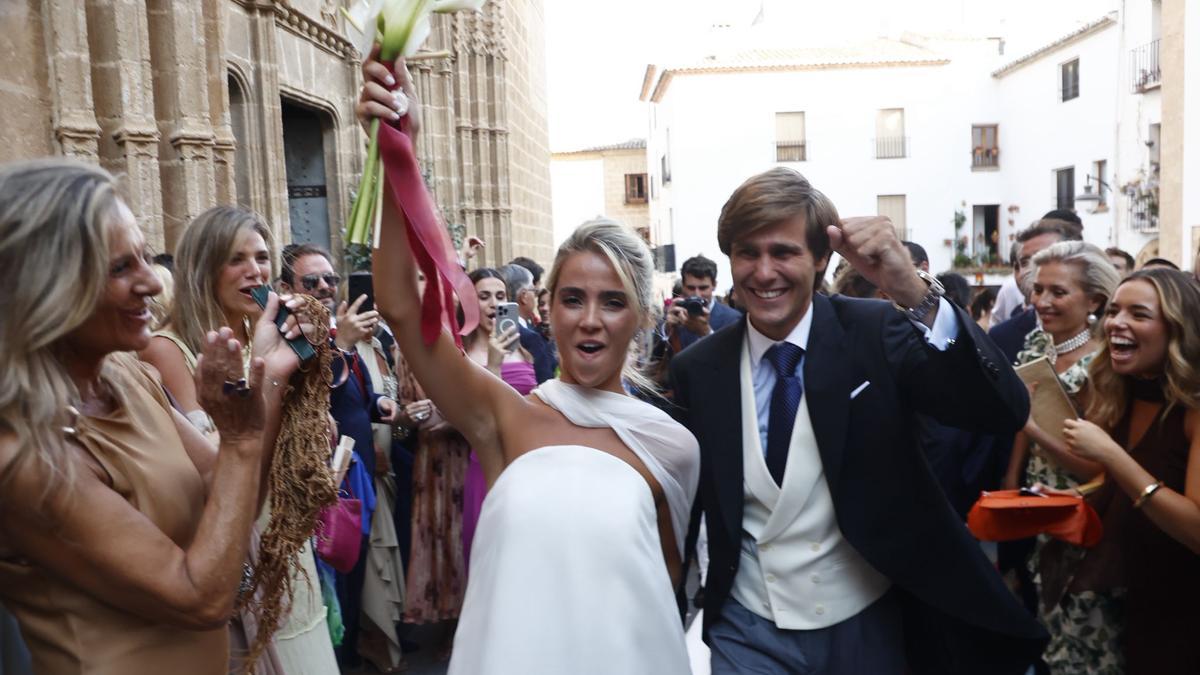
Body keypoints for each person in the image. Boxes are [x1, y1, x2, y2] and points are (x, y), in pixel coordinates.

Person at [363, 51, 699, 675]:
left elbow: (664, 596)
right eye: (573, 299)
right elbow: (404, 310)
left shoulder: (673, 448)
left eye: (612, 301)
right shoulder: (503, 417)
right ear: (547, 309)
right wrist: (393, 160)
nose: (590, 318)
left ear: (641, 318)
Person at [670, 167, 1046, 674]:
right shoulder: (699, 368)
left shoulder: (874, 331)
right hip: (747, 625)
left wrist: (913, 291)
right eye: (747, 253)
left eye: (783, 252)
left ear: (822, 258)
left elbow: (1000, 410)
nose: (763, 272)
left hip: (869, 619)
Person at [0, 159, 304, 673]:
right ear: (43, 287)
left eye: (144, 256)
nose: (151, 282)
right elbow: (199, 598)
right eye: (120, 268)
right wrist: (242, 436)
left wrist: (267, 380)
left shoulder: (126, 377)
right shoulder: (24, 456)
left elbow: (230, 498)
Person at [138, 206, 339, 673]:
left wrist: (308, 422)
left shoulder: (261, 336)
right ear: (203, 268)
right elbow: (218, 455)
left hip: (281, 533)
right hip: (237, 535)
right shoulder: (170, 349)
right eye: (236, 259)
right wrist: (273, 383)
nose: (256, 271)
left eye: (263, 257)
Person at [1057, 268, 1200, 674]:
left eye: (1139, 314)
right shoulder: (1126, 390)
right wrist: (1073, 498)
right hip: (1131, 597)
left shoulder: (1194, 410)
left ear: (1178, 328)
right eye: (1115, 310)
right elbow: (1125, 487)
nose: (1118, 322)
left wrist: (1113, 456)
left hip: (1184, 607)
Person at [1000, 241, 1120, 674]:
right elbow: (1022, 428)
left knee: (1085, 641)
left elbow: (1101, 467)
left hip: (1084, 520)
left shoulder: (1104, 364)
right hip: (1038, 515)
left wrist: (1031, 425)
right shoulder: (1037, 343)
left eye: (1058, 292)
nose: (1042, 301)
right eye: (1038, 289)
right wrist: (1011, 490)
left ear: (1094, 301)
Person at [277, 243, 399, 667]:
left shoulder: (334, 332)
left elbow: (352, 398)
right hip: (321, 491)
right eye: (312, 282)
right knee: (332, 597)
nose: (326, 288)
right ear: (285, 288)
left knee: (353, 585)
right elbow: (311, 402)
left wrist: (378, 407)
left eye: (330, 278)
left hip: (354, 485)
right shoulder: (286, 338)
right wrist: (343, 344)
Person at [460, 267, 536, 573]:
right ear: (470, 303)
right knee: (492, 564)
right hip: (488, 465)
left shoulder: (525, 350)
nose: (494, 304)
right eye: (484, 296)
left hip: (528, 462)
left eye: (500, 296)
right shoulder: (461, 355)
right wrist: (493, 364)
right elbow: (479, 418)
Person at [989, 219, 1084, 365]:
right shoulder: (1001, 337)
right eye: (1025, 261)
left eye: (1044, 258)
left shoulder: (1111, 334)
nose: (1033, 269)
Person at [498, 263, 556, 383]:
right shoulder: (531, 338)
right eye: (534, 292)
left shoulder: (484, 332)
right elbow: (544, 383)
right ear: (524, 296)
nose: (535, 297)